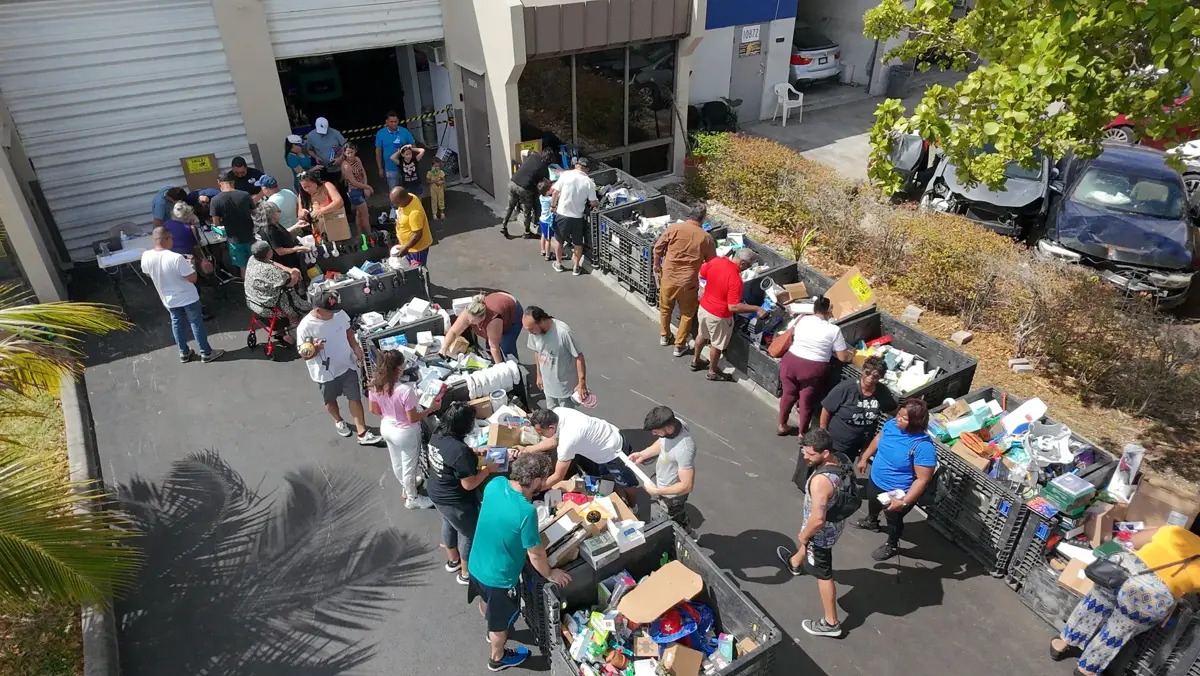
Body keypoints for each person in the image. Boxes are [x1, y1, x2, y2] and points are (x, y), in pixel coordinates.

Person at [1050, 525, 1200, 676]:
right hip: (1151, 594)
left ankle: (1061, 644)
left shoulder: (1175, 531)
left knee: (1094, 605)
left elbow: (1134, 541)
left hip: (1122, 571)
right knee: (1117, 630)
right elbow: (1192, 591)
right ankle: (1086, 669)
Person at [468, 452, 571, 672]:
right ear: (535, 481)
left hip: (477, 564)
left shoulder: (496, 483)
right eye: (543, 480)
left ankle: (491, 630)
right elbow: (535, 554)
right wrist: (550, 573)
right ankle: (498, 656)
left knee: (486, 603)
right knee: (500, 625)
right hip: (500, 578)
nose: (543, 483)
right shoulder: (526, 512)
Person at [775, 429, 849, 639]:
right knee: (808, 546)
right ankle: (795, 563)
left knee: (823, 573)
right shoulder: (840, 461)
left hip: (821, 533)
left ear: (824, 453)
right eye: (803, 451)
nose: (804, 456)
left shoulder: (820, 481)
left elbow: (817, 520)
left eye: (810, 454)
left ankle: (831, 622)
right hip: (835, 524)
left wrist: (804, 534)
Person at [296, 289, 382, 446]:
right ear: (318, 310)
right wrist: (315, 350)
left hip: (346, 365)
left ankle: (362, 433)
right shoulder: (305, 327)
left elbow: (348, 332)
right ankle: (338, 420)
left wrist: (356, 348)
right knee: (330, 400)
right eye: (330, 311)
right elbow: (304, 355)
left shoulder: (339, 313)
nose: (335, 314)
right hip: (324, 372)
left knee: (354, 398)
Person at [792, 356, 894, 490]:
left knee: (838, 472)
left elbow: (893, 410)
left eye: (875, 376)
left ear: (880, 377)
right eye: (867, 373)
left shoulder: (882, 392)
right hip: (833, 439)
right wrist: (824, 434)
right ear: (863, 370)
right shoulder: (846, 388)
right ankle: (812, 490)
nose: (870, 378)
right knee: (820, 467)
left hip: (853, 445)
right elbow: (826, 409)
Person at [854, 398, 936, 561]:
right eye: (899, 415)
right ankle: (872, 521)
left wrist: (904, 501)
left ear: (916, 422)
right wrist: (865, 457)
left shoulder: (923, 447)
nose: (898, 419)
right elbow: (879, 437)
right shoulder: (892, 425)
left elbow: (922, 480)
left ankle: (891, 544)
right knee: (872, 499)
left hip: (897, 491)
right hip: (876, 479)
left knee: (894, 519)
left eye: (904, 418)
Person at [427, 401, 497, 586]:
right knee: (470, 534)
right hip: (454, 500)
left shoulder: (438, 433)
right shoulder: (460, 451)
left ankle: (453, 561)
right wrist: (488, 470)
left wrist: (473, 451)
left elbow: (448, 455)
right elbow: (469, 484)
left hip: (436, 492)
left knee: (449, 524)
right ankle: (465, 573)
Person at [519, 408, 640, 505]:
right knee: (607, 477)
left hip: (614, 453)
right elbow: (553, 440)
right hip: (608, 436)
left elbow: (558, 476)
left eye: (541, 433)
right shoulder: (559, 412)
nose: (541, 435)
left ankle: (633, 506)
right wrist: (527, 449)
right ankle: (615, 493)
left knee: (627, 484)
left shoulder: (568, 441)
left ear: (551, 427)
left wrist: (534, 490)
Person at [367, 350, 441, 509]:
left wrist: (388, 414)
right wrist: (431, 409)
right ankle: (412, 498)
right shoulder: (405, 391)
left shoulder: (374, 384)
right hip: (406, 432)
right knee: (410, 466)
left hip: (386, 426)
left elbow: (373, 410)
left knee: (397, 462)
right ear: (398, 369)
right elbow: (413, 418)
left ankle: (406, 487)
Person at [140, 227, 225, 364]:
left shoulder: (146, 256)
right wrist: (190, 265)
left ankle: (183, 352)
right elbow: (192, 279)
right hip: (188, 297)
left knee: (177, 324)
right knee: (196, 323)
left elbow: (148, 273)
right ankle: (206, 352)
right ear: (166, 239)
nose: (173, 241)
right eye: (172, 238)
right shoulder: (176, 258)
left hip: (168, 298)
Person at [777, 296, 854, 436]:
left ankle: (782, 425)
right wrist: (851, 355)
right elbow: (842, 357)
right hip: (812, 368)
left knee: (788, 394)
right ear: (829, 310)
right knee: (806, 399)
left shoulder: (802, 319)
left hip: (790, 361)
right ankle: (802, 433)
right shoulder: (834, 330)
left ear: (814, 308)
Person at [692, 248, 767, 382]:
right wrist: (756, 309)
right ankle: (712, 372)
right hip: (719, 316)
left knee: (701, 335)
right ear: (743, 263)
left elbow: (702, 274)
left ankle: (695, 360)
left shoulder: (716, 261)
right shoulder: (735, 279)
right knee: (717, 344)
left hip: (704, 307)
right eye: (748, 266)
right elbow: (733, 306)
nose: (747, 269)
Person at [653, 205, 717, 358]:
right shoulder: (705, 237)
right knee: (686, 314)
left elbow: (657, 248)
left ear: (689, 215)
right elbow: (712, 263)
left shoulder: (674, 228)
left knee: (665, 308)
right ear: (703, 219)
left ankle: (664, 335)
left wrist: (656, 265)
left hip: (668, 277)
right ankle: (679, 346)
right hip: (688, 282)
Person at [629, 406, 696, 528]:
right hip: (662, 481)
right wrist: (643, 454)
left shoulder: (684, 449)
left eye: (655, 431)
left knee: (673, 518)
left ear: (669, 428)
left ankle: (687, 532)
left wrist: (657, 491)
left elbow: (687, 486)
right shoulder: (675, 423)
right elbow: (662, 442)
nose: (653, 434)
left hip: (672, 496)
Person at [244, 240, 310, 344]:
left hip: (253, 299)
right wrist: (296, 273)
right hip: (268, 305)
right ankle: (294, 337)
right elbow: (291, 282)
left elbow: (272, 262)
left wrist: (289, 269)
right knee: (302, 311)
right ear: (269, 252)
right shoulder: (269, 271)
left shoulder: (253, 259)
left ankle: (281, 332)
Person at [523, 305, 586, 409]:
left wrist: (582, 383)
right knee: (552, 417)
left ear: (541, 322)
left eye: (531, 329)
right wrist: (539, 375)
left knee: (566, 419)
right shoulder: (534, 334)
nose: (529, 333)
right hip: (548, 388)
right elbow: (537, 352)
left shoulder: (563, 333)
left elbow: (579, 356)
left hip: (565, 389)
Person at [439, 292, 522, 365]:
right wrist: (444, 348)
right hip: (498, 299)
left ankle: (515, 367)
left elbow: (494, 347)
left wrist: (499, 368)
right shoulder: (469, 312)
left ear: (483, 318)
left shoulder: (493, 321)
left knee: (506, 345)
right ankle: (493, 359)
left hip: (512, 310)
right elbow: (453, 332)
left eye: (473, 321)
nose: (470, 322)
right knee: (490, 343)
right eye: (469, 319)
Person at [549, 157, 598, 274]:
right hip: (577, 217)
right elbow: (593, 202)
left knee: (559, 240)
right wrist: (596, 203)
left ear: (576, 165)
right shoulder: (589, 182)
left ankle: (558, 263)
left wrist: (553, 206)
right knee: (578, 243)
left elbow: (555, 192)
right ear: (586, 169)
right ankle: (576, 267)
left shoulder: (565, 175)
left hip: (562, 213)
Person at [209, 172, 257, 277]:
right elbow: (254, 212)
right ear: (233, 181)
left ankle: (248, 290)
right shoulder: (245, 195)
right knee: (257, 263)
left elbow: (216, 223)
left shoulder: (215, 200)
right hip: (250, 236)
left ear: (219, 182)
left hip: (234, 240)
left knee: (243, 267)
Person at [502, 146, 554, 239]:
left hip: (513, 182)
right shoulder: (545, 169)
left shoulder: (534, 155)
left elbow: (522, 152)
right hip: (525, 188)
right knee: (527, 212)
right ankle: (526, 232)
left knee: (510, 206)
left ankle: (504, 225)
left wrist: (523, 163)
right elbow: (547, 184)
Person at [297, 170, 349, 244]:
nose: (307, 190)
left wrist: (322, 211)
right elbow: (299, 214)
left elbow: (339, 201)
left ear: (315, 183)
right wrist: (302, 214)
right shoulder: (302, 195)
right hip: (318, 231)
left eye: (309, 186)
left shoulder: (326, 186)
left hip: (335, 226)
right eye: (304, 187)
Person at [389, 186, 433, 267]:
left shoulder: (414, 213)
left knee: (417, 270)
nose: (396, 205)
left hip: (417, 249)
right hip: (409, 247)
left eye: (397, 203)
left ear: (403, 199)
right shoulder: (410, 196)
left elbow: (417, 234)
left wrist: (405, 248)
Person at [375, 111, 417, 189]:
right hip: (390, 168)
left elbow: (413, 145)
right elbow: (378, 152)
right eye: (391, 122)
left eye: (396, 121)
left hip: (406, 167)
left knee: (408, 191)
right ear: (386, 122)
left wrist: (413, 160)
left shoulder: (404, 131)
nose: (394, 124)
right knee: (394, 192)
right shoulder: (380, 134)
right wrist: (380, 168)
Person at [342, 143, 373, 236]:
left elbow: (363, 173)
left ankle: (359, 235)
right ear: (344, 153)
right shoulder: (346, 165)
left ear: (355, 151)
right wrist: (368, 187)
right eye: (348, 153)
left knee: (359, 215)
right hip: (354, 191)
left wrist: (365, 186)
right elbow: (353, 182)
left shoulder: (357, 159)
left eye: (351, 152)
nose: (350, 155)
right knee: (365, 215)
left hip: (362, 188)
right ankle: (370, 236)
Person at [306, 117, 347, 187]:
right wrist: (316, 157)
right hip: (323, 169)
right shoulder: (311, 136)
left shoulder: (335, 133)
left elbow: (346, 147)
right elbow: (309, 150)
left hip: (338, 168)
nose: (322, 134)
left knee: (341, 189)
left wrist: (340, 158)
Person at [535, 180, 555, 260]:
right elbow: (556, 197)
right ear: (547, 191)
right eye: (550, 188)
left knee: (543, 235)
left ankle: (543, 250)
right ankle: (548, 254)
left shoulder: (541, 197)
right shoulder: (549, 199)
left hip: (542, 219)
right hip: (547, 221)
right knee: (548, 239)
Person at [426, 156, 447, 221]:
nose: (436, 168)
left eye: (438, 166)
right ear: (432, 166)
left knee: (441, 200)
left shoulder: (441, 172)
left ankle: (442, 213)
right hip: (433, 190)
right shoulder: (430, 173)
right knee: (434, 201)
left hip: (440, 189)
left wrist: (441, 182)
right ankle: (434, 214)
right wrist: (434, 181)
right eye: (435, 166)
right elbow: (428, 181)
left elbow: (444, 180)